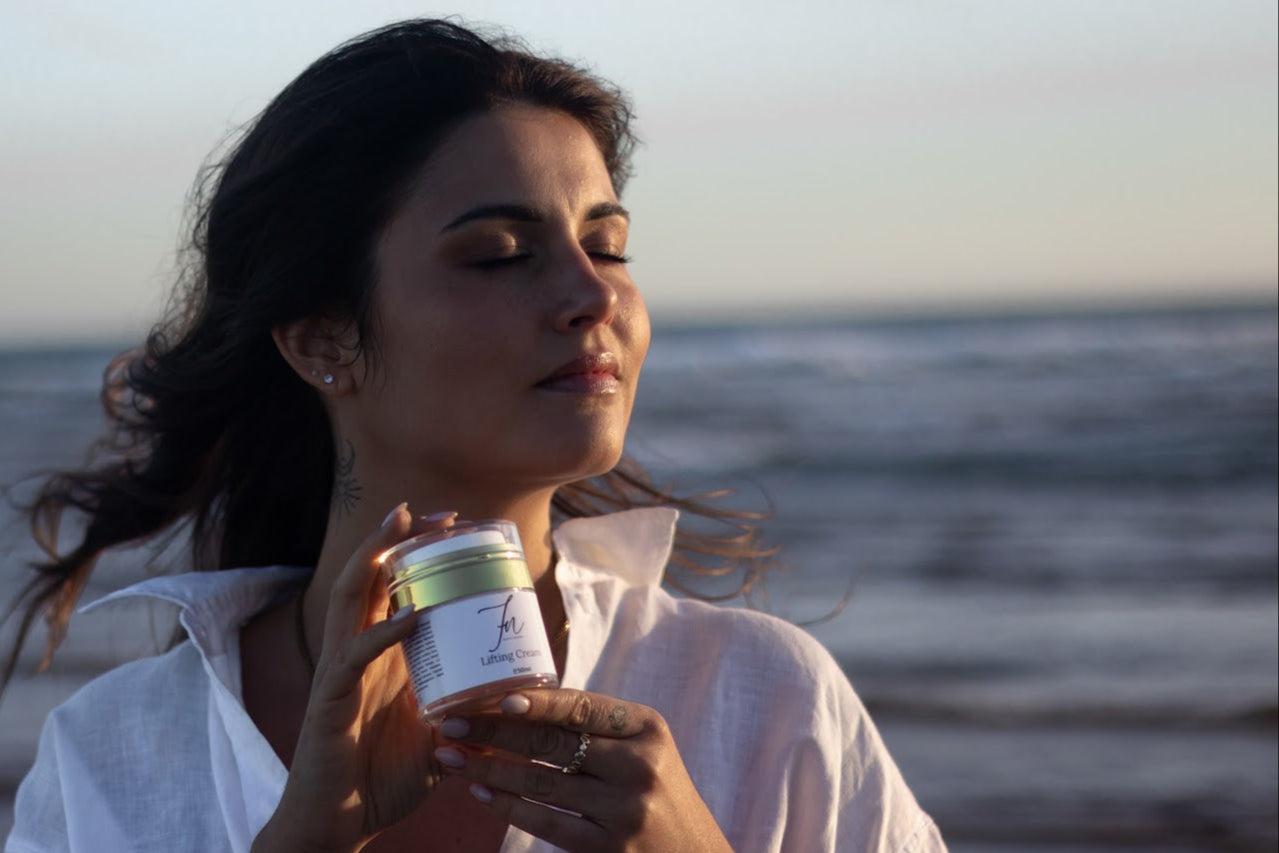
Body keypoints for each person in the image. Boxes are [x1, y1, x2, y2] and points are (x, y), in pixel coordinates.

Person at [3, 19, 946, 853]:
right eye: (501, 255)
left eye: (607, 246)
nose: (594, 295)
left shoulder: (762, 695)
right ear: (323, 339)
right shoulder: (117, 750)